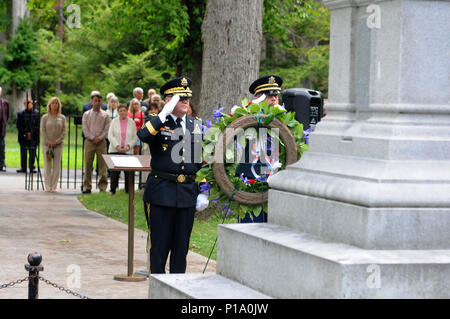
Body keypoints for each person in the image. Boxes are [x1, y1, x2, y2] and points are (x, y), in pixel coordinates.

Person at [137, 76, 208, 274]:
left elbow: (199, 161)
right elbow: (143, 136)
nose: (185, 101)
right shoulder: (158, 122)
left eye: (187, 98)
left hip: (186, 194)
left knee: (181, 250)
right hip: (162, 193)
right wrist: (163, 114)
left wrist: (203, 191)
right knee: (159, 250)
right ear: (169, 100)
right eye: (180, 98)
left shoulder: (195, 124)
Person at [82, 92, 110, 194]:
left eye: (99, 101)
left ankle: (102, 186)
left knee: (102, 165)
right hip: (89, 142)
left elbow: (106, 129)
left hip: (101, 142)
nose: (97, 103)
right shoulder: (86, 114)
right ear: (92, 102)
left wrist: (99, 138)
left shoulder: (105, 115)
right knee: (88, 164)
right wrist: (92, 138)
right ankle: (87, 186)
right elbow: (85, 129)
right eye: (95, 101)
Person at [107, 104, 137, 194]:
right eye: (120, 111)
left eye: (124, 110)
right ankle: (113, 189)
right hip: (115, 150)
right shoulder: (113, 121)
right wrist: (117, 146)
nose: (122, 112)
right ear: (118, 112)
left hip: (128, 151)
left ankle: (128, 190)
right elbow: (110, 135)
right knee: (114, 172)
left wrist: (128, 146)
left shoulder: (132, 122)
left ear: (127, 111)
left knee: (128, 172)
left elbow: (135, 137)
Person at [40, 97, 66, 192]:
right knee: (47, 166)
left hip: (58, 145)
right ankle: (48, 186)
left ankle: (54, 186)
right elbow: (42, 131)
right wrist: (48, 142)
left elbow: (64, 131)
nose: (55, 105)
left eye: (56, 103)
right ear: (49, 105)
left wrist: (57, 141)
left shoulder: (62, 117)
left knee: (56, 166)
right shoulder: (45, 117)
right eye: (53, 103)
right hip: (47, 145)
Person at [16, 98, 40, 173]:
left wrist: (31, 133)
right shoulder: (20, 113)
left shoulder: (36, 113)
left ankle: (31, 167)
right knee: (23, 152)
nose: (27, 104)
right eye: (25, 103)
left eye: (29, 103)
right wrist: (26, 134)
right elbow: (18, 125)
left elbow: (38, 125)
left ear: (32, 104)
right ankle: (23, 167)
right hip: (23, 136)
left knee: (32, 152)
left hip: (34, 136)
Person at [0, 86, 9, 172]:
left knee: (2, 147)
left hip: (1, 129)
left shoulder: (5, 103)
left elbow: (7, 116)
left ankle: (2, 164)